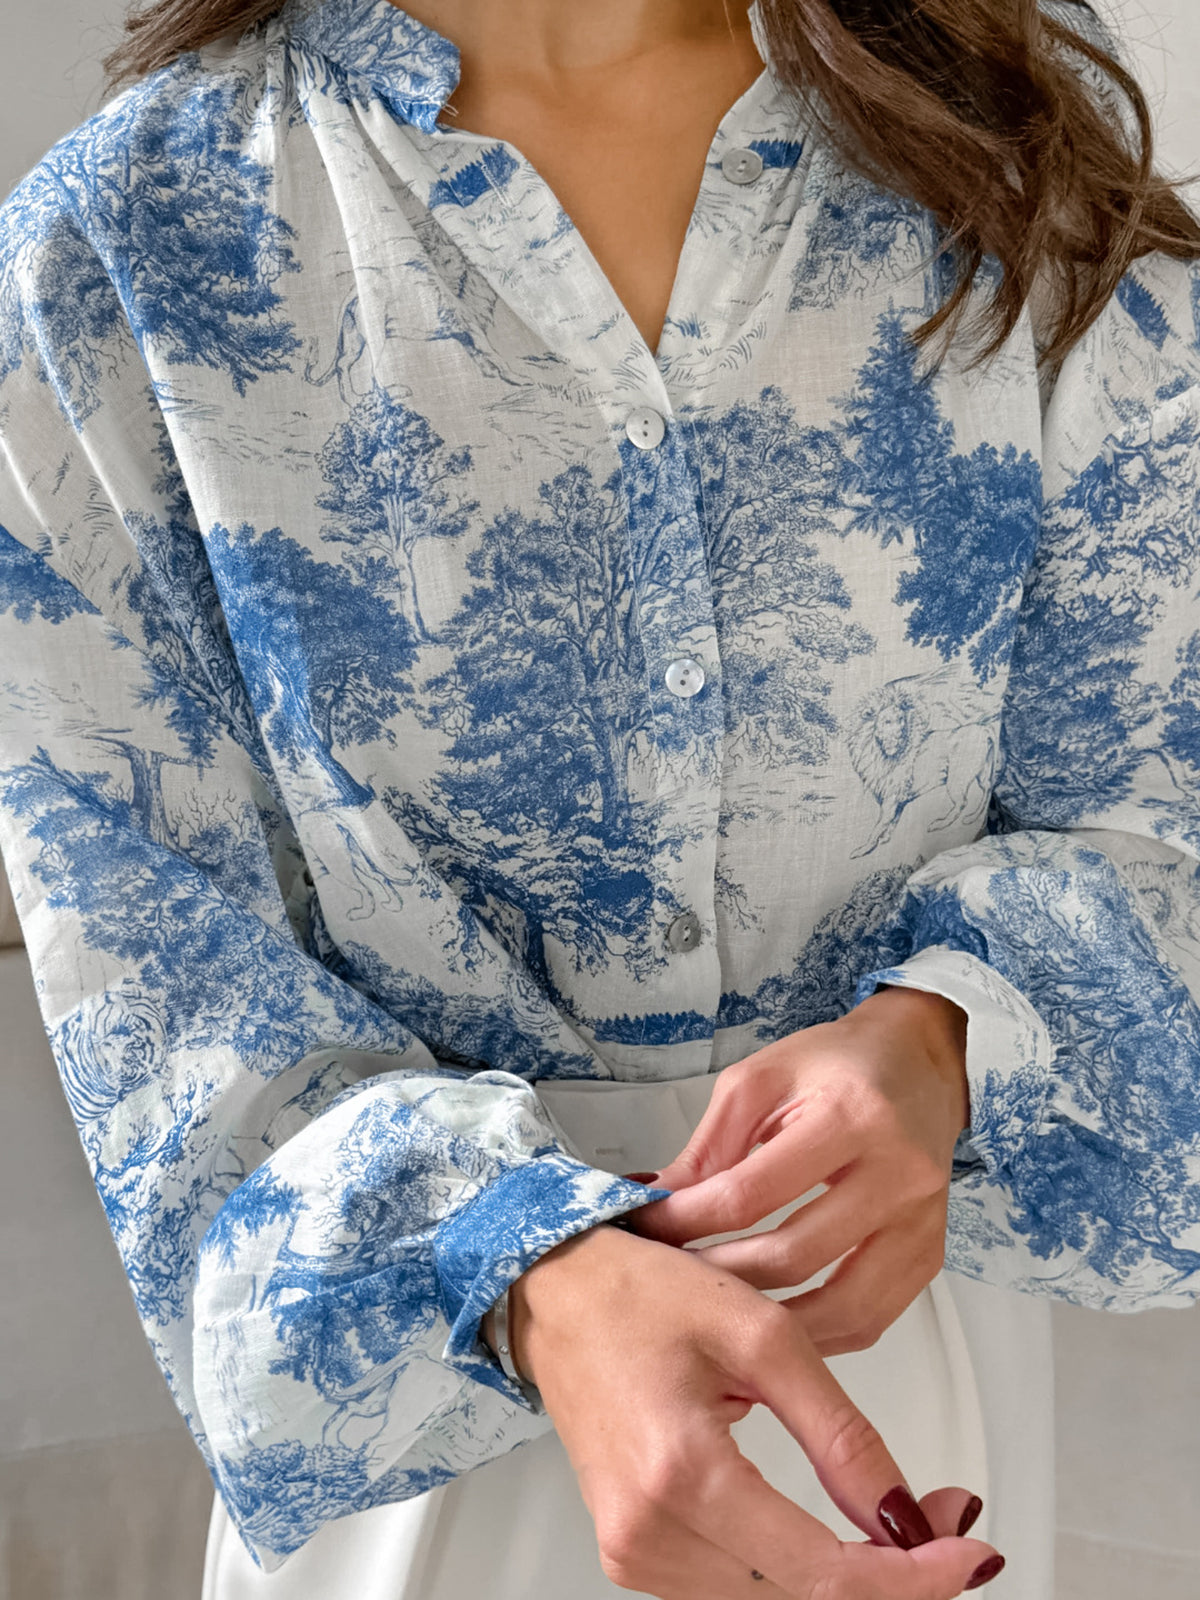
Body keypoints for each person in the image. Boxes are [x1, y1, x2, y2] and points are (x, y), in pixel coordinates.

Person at [1, 0, 1199, 1595]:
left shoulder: (999, 124)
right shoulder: (114, 248)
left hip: (900, 1357)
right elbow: (166, 993)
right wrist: (526, 1274)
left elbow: (1160, 785)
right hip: (438, 1433)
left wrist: (947, 1037)